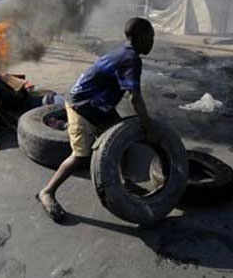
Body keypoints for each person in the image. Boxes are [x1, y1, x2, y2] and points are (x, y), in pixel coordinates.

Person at [37, 17, 160, 223]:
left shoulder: (124, 53)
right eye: (151, 36)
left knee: (121, 140)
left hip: (99, 105)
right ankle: (47, 192)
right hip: (82, 105)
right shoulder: (131, 59)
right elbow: (134, 97)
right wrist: (148, 125)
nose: (153, 41)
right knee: (80, 156)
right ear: (139, 37)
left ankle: (124, 182)